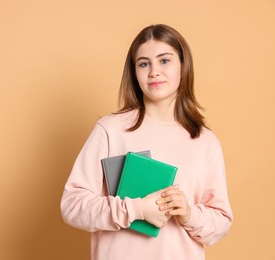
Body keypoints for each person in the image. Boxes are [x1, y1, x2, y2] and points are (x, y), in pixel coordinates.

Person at [60, 24, 233, 260]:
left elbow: (221, 223)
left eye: (164, 60)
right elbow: (72, 206)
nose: (154, 71)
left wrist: (188, 213)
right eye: (144, 63)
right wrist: (137, 209)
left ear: (183, 66)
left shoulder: (205, 142)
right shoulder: (110, 131)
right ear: (134, 72)